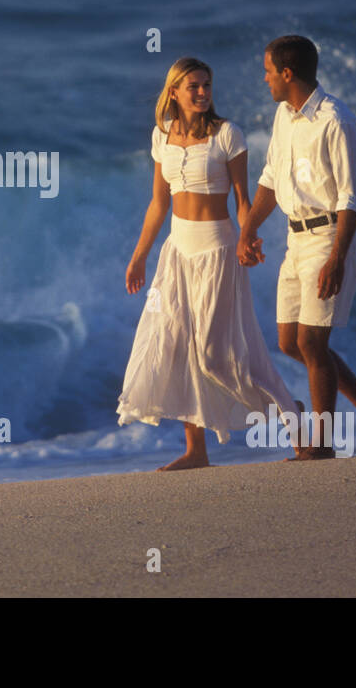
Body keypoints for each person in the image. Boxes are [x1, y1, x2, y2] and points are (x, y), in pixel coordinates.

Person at [119, 56, 300, 471]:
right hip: (177, 253)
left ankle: (288, 410)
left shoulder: (227, 135)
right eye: (193, 87)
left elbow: (242, 200)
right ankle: (195, 450)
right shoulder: (161, 136)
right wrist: (139, 257)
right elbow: (159, 203)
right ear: (174, 93)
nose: (202, 93)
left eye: (206, 86)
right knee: (179, 348)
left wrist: (247, 236)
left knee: (220, 353)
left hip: (218, 251)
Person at [237, 35, 356, 458]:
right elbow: (270, 177)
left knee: (312, 345)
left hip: (329, 237)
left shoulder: (337, 121)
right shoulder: (284, 115)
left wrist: (337, 257)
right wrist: (248, 229)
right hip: (295, 238)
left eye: (268, 71)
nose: (264, 79)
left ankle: (320, 446)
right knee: (289, 342)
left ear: (288, 73)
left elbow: (352, 199)